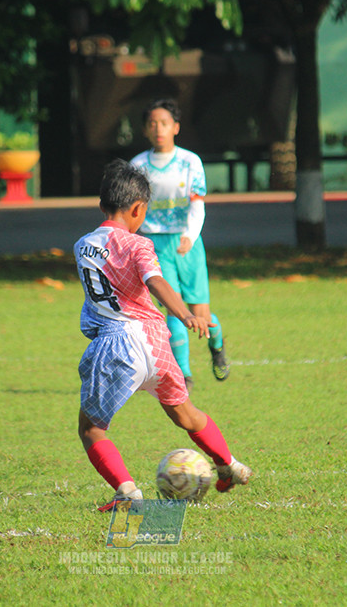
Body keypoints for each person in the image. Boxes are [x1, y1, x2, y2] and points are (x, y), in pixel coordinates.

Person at [74, 160, 251, 510]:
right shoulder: (139, 245)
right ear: (139, 209)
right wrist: (185, 314)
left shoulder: (82, 245)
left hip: (115, 346)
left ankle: (127, 491)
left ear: (101, 204)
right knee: (185, 413)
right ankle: (230, 464)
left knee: (91, 429)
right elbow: (155, 281)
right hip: (155, 343)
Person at [130, 98, 228, 391]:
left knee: (200, 316)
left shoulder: (190, 161)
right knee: (173, 310)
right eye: (152, 124)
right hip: (155, 244)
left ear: (176, 127)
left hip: (188, 242)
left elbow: (197, 204)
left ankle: (217, 344)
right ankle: (184, 375)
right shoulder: (138, 165)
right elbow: (132, 208)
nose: (158, 129)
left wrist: (190, 235)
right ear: (145, 130)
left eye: (164, 123)